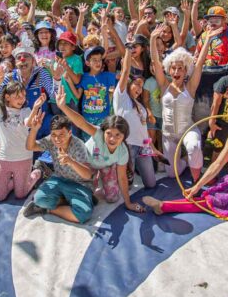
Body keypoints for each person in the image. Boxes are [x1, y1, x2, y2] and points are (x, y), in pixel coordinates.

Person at [55, 88, 144, 213]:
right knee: (84, 196)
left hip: (106, 166)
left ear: (124, 136)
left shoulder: (123, 152)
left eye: (118, 135)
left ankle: (101, 179)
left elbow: (122, 177)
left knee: (113, 198)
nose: (112, 139)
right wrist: (63, 107)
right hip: (88, 165)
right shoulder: (98, 134)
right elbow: (81, 123)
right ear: (104, 132)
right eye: (109, 133)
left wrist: (128, 203)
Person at [151, 26, 215, 182]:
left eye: (180, 68)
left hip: (188, 130)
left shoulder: (190, 87)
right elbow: (155, 61)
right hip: (168, 135)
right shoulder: (164, 85)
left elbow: (199, 64)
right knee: (172, 174)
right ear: (169, 70)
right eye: (174, 68)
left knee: (193, 147)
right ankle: (186, 161)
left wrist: (207, 40)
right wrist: (152, 39)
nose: (177, 71)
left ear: (185, 71)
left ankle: (196, 180)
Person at [23, 113, 95, 222]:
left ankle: (49, 210)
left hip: (80, 184)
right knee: (39, 199)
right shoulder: (51, 140)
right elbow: (30, 146)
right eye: (53, 134)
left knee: (83, 215)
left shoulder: (78, 145)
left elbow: (88, 175)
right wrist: (34, 129)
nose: (57, 139)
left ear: (70, 133)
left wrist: (71, 162)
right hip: (59, 179)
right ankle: (66, 201)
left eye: (61, 134)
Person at [0, 69, 42, 202]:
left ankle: (38, 172)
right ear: (7, 97)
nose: (21, 99)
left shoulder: (26, 110)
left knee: (20, 195)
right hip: (4, 159)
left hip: (23, 158)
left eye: (23, 96)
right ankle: (15, 182)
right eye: (17, 96)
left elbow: (28, 123)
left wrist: (35, 108)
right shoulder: (0, 111)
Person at [113, 48, 158, 189]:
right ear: (128, 83)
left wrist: (152, 148)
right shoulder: (121, 97)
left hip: (143, 147)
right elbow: (125, 70)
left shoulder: (141, 106)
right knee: (128, 185)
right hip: (127, 146)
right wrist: (127, 49)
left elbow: (144, 130)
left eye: (142, 86)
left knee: (151, 184)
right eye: (137, 84)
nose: (139, 88)